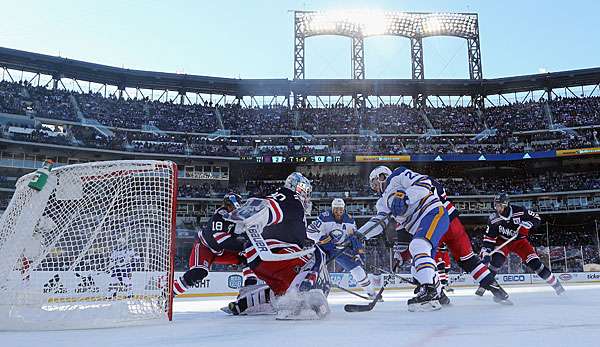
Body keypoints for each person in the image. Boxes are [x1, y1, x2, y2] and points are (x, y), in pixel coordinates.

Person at [224, 172, 330, 320]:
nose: (307, 196)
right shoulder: (291, 198)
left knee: (283, 293)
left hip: (259, 261)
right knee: (317, 253)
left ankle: (243, 304)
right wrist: (254, 217)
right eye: (305, 191)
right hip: (276, 254)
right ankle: (305, 299)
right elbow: (271, 208)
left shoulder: (280, 197)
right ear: (298, 187)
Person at [358, 166, 449, 312]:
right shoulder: (382, 202)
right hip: (419, 225)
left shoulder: (398, 175)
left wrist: (406, 197)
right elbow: (380, 222)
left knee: (418, 246)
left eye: (375, 183)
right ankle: (439, 295)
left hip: (431, 212)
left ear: (381, 176)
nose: (375, 188)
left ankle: (429, 292)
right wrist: (360, 235)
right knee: (416, 269)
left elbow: (425, 183)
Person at [429, 178, 510, 303]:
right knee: (470, 261)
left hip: (433, 222)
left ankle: (436, 294)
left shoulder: (404, 186)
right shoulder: (431, 182)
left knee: (424, 258)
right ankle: (498, 291)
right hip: (452, 220)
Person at [479, 193, 564, 295]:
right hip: (503, 242)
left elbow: (537, 218)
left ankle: (557, 286)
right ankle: (484, 285)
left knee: (536, 264)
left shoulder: (519, 211)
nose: (497, 208)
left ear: (506, 204)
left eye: (499, 205)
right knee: (496, 262)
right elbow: (489, 239)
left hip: (520, 242)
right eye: (496, 205)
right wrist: (486, 252)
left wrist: (529, 224)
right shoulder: (493, 219)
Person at [173, 193, 257, 296]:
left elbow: (244, 234)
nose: (231, 208)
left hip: (220, 251)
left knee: (249, 257)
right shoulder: (219, 217)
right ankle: (167, 294)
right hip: (205, 248)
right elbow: (222, 240)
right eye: (229, 205)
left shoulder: (238, 218)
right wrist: (244, 246)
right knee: (198, 273)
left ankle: (249, 292)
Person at [307, 198, 378, 300]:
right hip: (324, 248)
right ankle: (306, 290)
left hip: (341, 250)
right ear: (332, 209)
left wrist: (358, 252)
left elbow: (354, 238)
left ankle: (372, 293)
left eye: (340, 209)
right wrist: (323, 239)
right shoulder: (324, 217)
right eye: (336, 209)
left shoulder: (349, 219)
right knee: (314, 267)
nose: (338, 212)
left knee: (358, 270)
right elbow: (309, 232)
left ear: (344, 209)